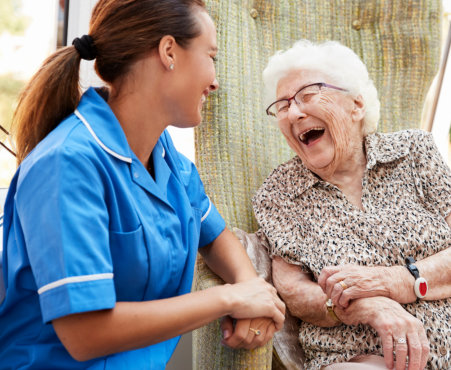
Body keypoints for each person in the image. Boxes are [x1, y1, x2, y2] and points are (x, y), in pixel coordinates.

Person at [0, 1, 286, 368]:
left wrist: (251, 287)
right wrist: (230, 299)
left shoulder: (165, 157)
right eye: (210, 56)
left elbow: (213, 235)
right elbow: (85, 334)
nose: (215, 80)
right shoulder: (66, 163)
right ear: (169, 51)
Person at [252, 39, 451, 370]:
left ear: (356, 104)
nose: (295, 112)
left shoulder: (415, 152)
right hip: (359, 358)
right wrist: (371, 308)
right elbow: (295, 293)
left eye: (307, 95)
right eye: (283, 105)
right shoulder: (278, 193)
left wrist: (395, 281)